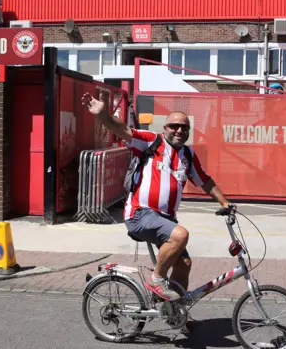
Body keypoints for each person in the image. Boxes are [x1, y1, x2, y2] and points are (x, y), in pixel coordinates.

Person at [81, 91, 235, 302]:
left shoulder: (188, 155)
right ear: (165, 128)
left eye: (184, 127)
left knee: (184, 264)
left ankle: (175, 311)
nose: (179, 130)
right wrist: (103, 115)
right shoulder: (152, 142)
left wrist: (225, 203)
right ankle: (157, 279)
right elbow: (122, 129)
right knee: (180, 235)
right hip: (140, 214)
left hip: (164, 219)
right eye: (174, 126)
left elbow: (205, 181)